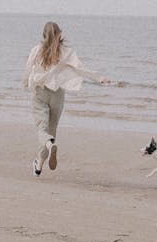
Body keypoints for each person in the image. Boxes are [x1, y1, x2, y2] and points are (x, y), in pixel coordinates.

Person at [22, 21, 113, 176]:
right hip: (57, 94)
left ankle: (49, 148)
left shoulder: (36, 51)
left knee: (42, 129)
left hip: (39, 92)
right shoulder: (66, 51)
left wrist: (26, 83)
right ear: (60, 34)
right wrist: (100, 78)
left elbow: (27, 70)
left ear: (44, 35)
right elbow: (80, 68)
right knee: (51, 129)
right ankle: (39, 165)